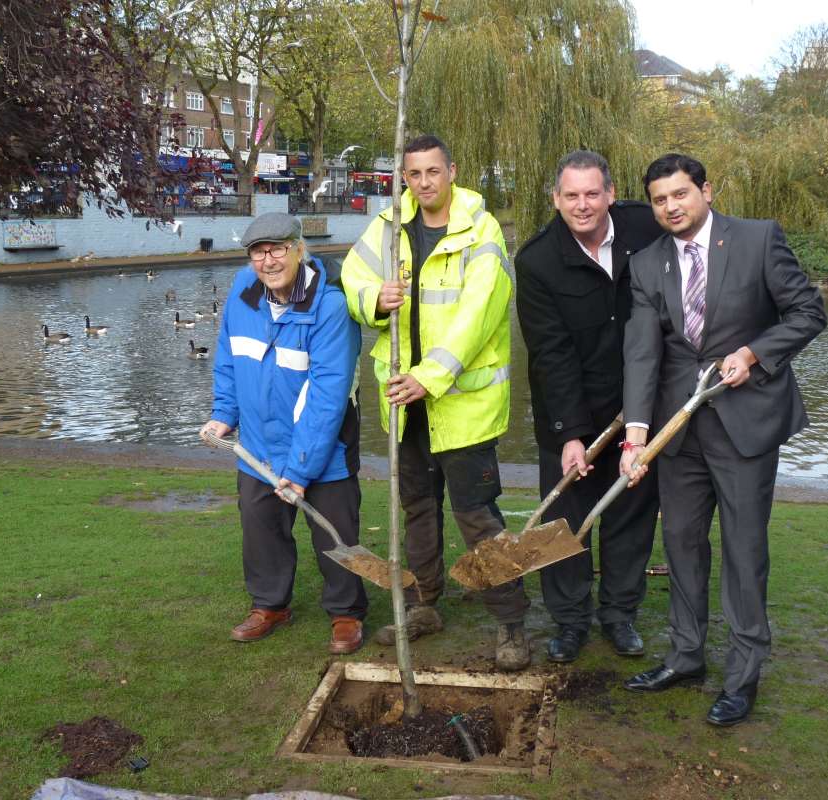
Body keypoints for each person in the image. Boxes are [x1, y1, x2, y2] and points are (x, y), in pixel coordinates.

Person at [619, 153, 827, 726]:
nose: (670, 207)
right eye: (660, 199)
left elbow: (808, 312)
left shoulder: (758, 240)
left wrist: (754, 353)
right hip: (677, 430)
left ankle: (743, 676)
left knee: (743, 551)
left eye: (680, 194)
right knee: (682, 544)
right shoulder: (646, 264)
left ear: (706, 191)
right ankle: (685, 656)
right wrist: (637, 433)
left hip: (746, 425)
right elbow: (642, 351)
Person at [341, 134, 530, 671]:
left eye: (433, 172)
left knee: (479, 518)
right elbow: (351, 277)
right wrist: (373, 299)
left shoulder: (481, 230)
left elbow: (479, 315)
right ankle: (425, 605)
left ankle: (511, 622)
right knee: (417, 510)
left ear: (452, 171)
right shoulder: (387, 228)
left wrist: (430, 376)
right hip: (406, 405)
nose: (423, 183)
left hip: (462, 407)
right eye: (414, 174)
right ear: (405, 177)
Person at [514, 150, 663, 663]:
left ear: (611, 194)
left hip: (640, 408)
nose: (583, 205)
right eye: (571, 195)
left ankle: (620, 615)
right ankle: (570, 622)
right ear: (556, 199)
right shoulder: (536, 261)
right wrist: (570, 433)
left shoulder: (646, 229)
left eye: (592, 193)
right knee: (564, 524)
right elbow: (550, 354)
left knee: (630, 515)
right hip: (569, 407)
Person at [200, 212, 367, 654]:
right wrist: (224, 414)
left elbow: (327, 397)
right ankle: (270, 605)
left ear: (299, 249)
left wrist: (300, 470)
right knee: (261, 529)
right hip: (258, 446)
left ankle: (346, 612)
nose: (268, 260)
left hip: (323, 448)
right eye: (258, 252)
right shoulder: (241, 292)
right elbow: (230, 359)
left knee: (334, 530)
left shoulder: (331, 305)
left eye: (277, 249)